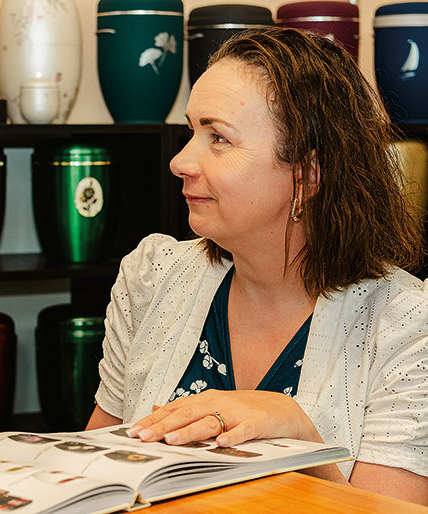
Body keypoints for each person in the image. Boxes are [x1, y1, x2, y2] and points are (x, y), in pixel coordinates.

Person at [86, 27, 428, 504]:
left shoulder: (408, 327)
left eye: (218, 139)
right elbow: (94, 478)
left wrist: (299, 436)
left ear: (308, 175)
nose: (180, 161)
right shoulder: (152, 278)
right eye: (191, 132)